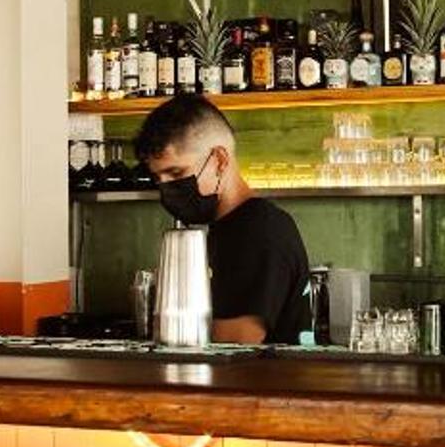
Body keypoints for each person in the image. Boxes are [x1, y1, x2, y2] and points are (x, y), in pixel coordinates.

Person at [131, 93, 311, 345]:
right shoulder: (228, 229)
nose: (166, 188)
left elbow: (232, 348)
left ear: (219, 161)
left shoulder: (256, 230)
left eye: (176, 173)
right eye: (158, 178)